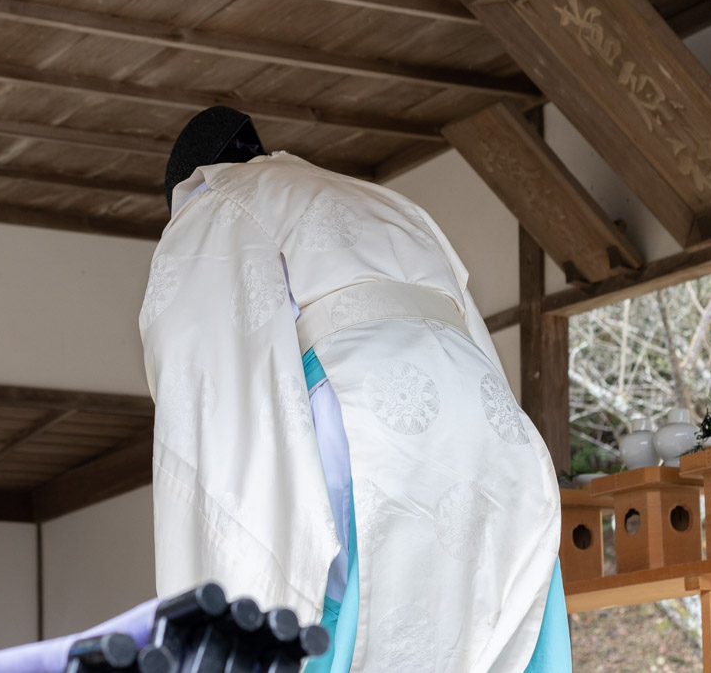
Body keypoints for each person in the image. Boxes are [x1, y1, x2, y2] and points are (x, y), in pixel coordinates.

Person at [139, 108, 571, 673]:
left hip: (363, 410)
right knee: (492, 605)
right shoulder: (379, 200)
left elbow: (194, 371)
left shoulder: (211, 207)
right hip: (490, 425)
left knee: (325, 605)